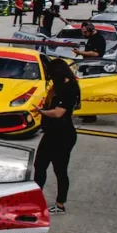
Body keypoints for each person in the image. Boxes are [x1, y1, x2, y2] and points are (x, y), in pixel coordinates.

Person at [32, 58, 80, 214]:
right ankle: (36, 198)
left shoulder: (68, 88)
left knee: (60, 170)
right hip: (52, 133)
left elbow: (58, 113)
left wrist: (41, 112)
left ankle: (60, 204)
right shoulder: (60, 86)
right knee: (39, 165)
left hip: (62, 136)